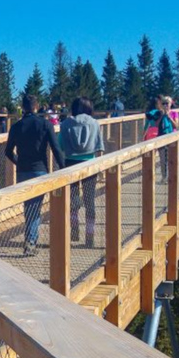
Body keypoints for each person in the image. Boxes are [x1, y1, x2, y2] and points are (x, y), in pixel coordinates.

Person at [5, 94, 66, 256]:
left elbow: (8, 151)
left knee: (29, 207)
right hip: (40, 170)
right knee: (35, 207)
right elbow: (55, 148)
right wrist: (63, 167)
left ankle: (31, 239)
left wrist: (19, 162)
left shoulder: (16, 127)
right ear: (36, 106)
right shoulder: (45, 124)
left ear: (23, 107)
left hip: (23, 171)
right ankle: (31, 241)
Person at [59, 97, 104, 247]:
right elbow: (99, 146)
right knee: (90, 200)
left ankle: (74, 230)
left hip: (70, 163)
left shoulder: (65, 124)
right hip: (89, 164)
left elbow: (61, 145)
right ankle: (89, 236)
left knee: (72, 199)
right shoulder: (94, 123)